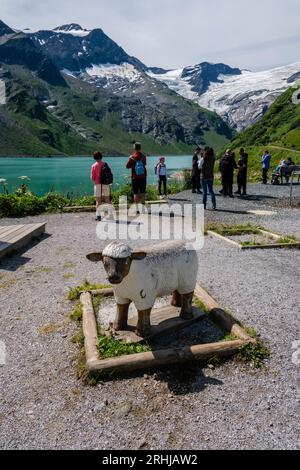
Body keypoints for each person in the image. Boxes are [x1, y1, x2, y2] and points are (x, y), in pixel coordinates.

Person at [90, 151, 111, 222]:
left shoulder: (93, 166)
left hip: (98, 184)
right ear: (101, 156)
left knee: (98, 201)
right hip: (106, 184)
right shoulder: (105, 164)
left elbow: (92, 177)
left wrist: (96, 180)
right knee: (107, 200)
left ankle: (98, 216)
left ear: (94, 157)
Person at [126, 142, 147, 212]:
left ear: (134, 148)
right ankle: (143, 208)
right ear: (140, 148)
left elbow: (127, 166)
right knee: (143, 192)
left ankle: (137, 209)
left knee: (136, 193)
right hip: (143, 177)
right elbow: (145, 164)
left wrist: (130, 160)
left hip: (135, 177)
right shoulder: (143, 156)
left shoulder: (132, 157)